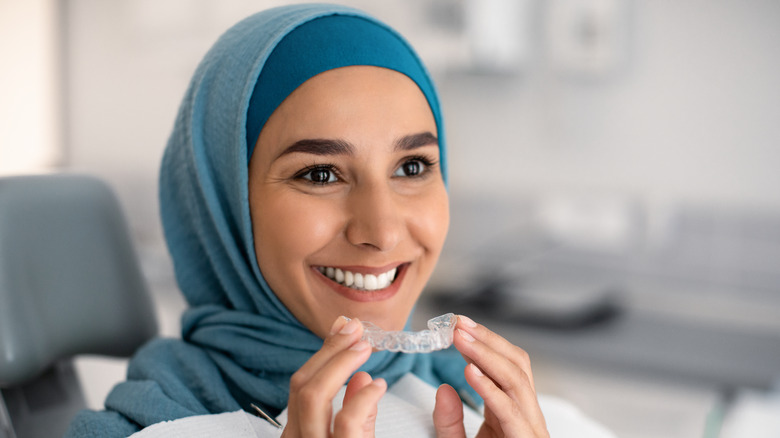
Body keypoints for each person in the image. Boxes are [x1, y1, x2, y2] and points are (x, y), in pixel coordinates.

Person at [66, 4, 614, 437]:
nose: (382, 231)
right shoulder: (149, 430)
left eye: (412, 166)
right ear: (222, 204)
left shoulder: (501, 416)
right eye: (321, 174)